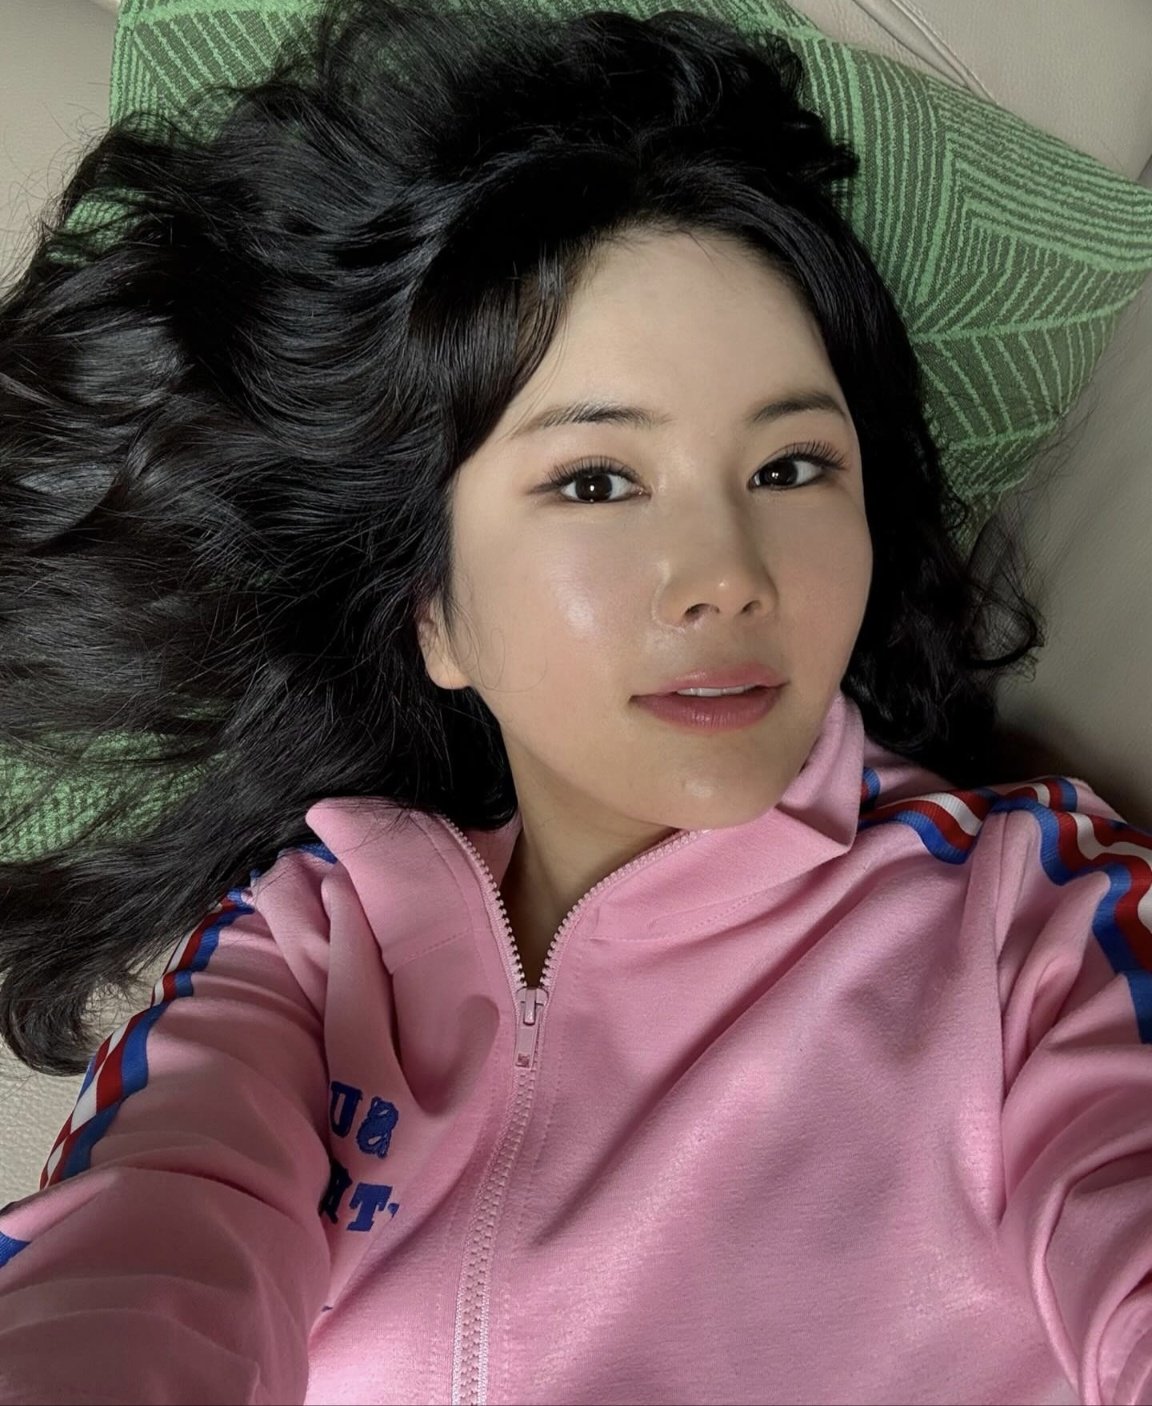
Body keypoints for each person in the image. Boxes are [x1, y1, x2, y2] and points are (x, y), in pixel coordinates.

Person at [1, 1, 1149, 1402]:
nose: (728, 576)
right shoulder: (296, 957)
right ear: (433, 608)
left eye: (791, 468)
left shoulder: (1037, 928)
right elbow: (131, 1268)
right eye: (597, 481)